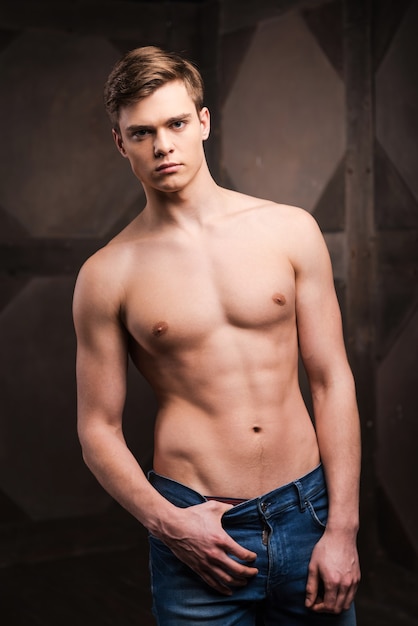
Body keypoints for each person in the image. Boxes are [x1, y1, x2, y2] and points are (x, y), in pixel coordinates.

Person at [73, 46, 361, 625]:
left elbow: (331, 381)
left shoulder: (288, 230)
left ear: (203, 123)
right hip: (195, 526)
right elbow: (97, 429)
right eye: (142, 132)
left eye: (177, 123)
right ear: (119, 143)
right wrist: (167, 523)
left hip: (308, 511)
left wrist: (343, 529)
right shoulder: (107, 274)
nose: (163, 146)